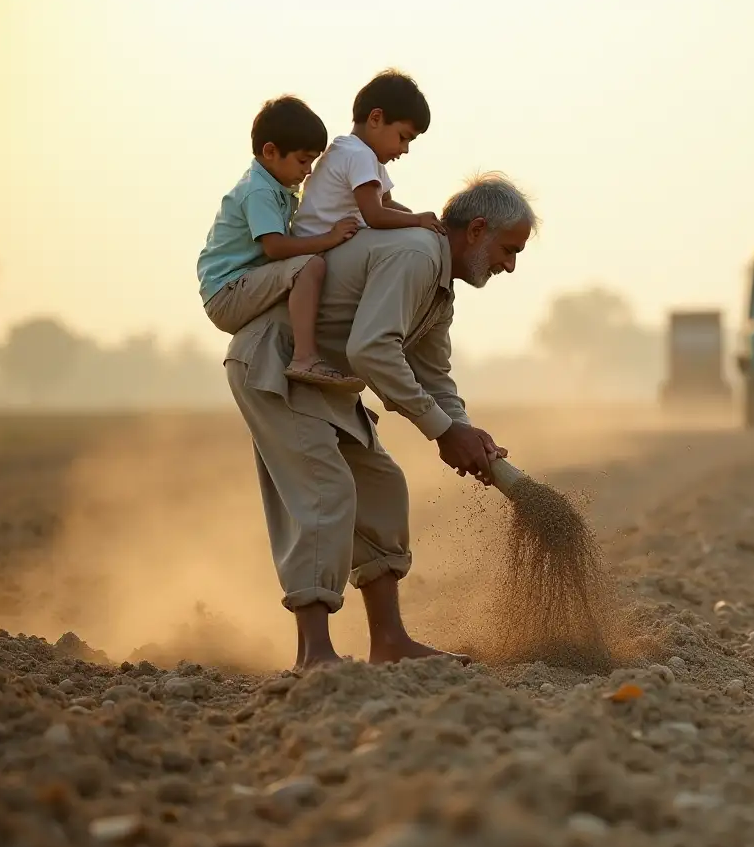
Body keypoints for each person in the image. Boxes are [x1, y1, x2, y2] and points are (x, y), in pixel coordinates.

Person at [223, 172, 537, 670]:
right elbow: (370, 349)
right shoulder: (414, 254)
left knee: (382, 486)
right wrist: (442, 430)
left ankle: (389, 642)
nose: (510, 265)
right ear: (477, 229)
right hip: (276, 364)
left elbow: (434, 374)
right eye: (509, 249)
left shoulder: (439, 289)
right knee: (326, 492)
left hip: (325, 380)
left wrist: (464, 430)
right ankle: (315, 653)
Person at [197, 96, 365, 392]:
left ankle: (326, 384)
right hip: (227, 291)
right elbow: (274, 247)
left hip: (243, 284)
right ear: (271, 151)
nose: (309, 170)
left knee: (313, 280)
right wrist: (329, 238)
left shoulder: (278, 187)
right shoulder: (258, 191)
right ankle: (304, 358)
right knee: (309, 267)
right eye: (303, 160)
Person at [292, 69, 447, 246]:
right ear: (375, 118)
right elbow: (375, 216)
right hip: (315, 247)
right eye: (403, 137)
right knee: (403, 245)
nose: (405, 149)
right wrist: (417, 220)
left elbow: (385, 202)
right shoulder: (359, 155)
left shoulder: (356, 151)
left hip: (321, 243)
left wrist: (414, 218)